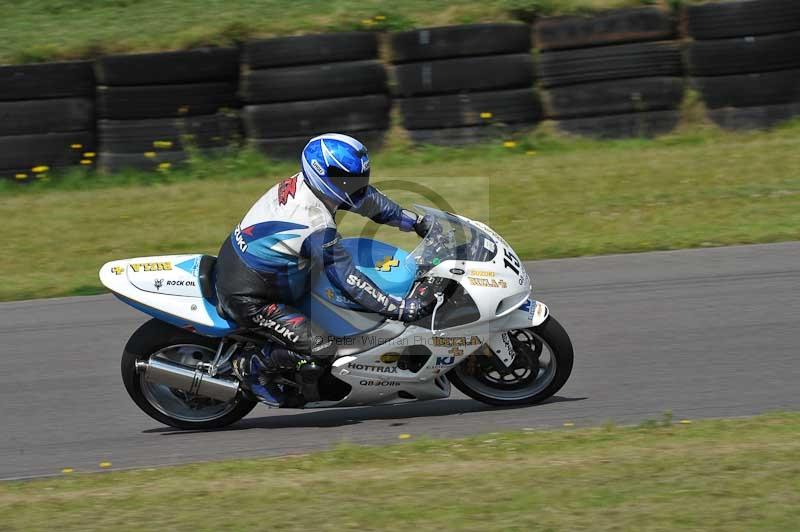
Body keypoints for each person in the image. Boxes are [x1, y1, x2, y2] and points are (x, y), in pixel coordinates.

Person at [214, 133, 433, 406]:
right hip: (252, 296)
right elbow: (347, 278)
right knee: (323, 347)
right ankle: (253, 366)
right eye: (348, 181)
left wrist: (415, 222)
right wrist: (397, 308)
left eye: (360, 178)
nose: (356, 187)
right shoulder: (313, 221)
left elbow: (366, 200)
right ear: (322, 175)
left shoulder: (316, 186)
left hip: (266, 268)